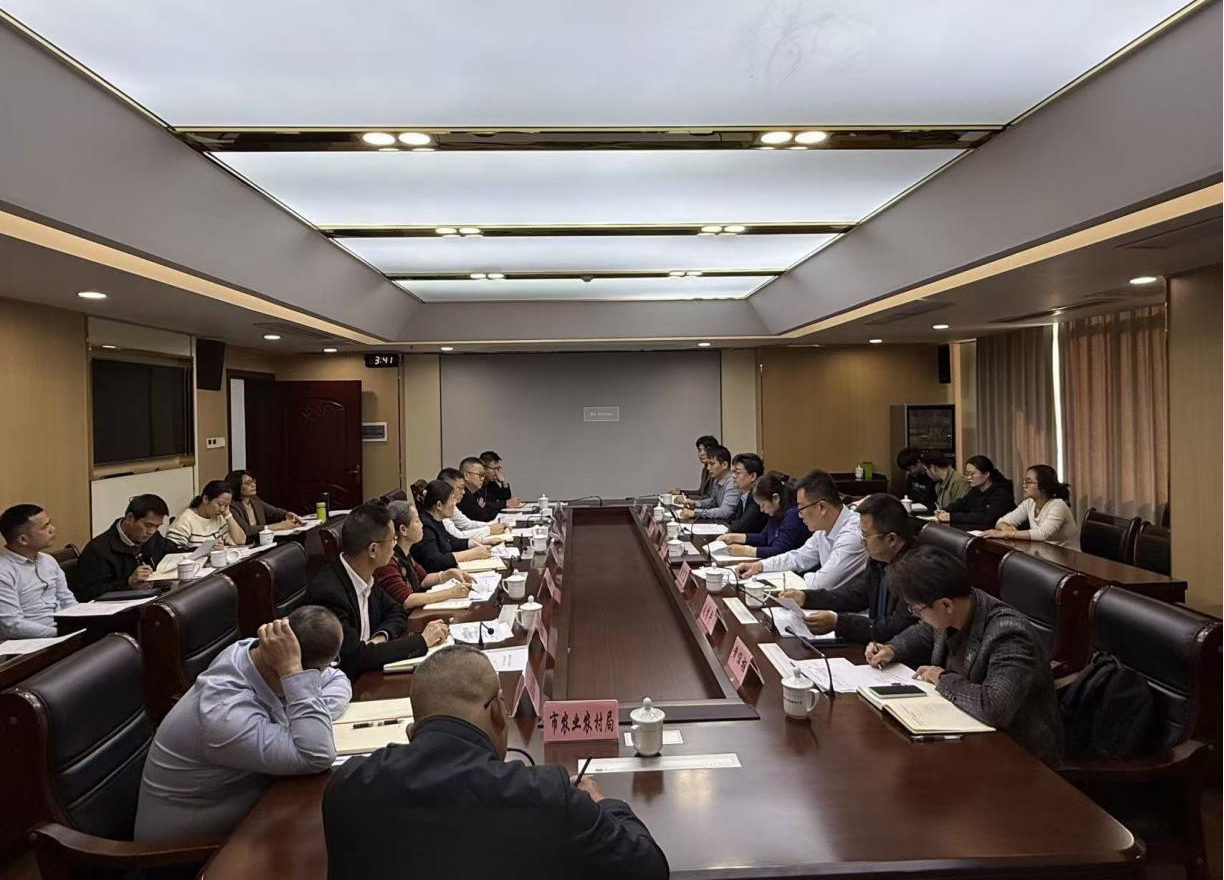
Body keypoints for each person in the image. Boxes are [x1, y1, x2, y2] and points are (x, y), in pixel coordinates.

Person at [322, 644, 670, 880]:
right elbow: (649, 869)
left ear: (412, 731)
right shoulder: (547, 796)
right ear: (499, 713)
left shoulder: (347, 787)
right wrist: (605, 804)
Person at [134, 608, 352, 840]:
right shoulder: (224, 714)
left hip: (252, 802)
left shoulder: (259, 656)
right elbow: (317, 754)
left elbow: (338, 680)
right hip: (185, 846)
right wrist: (297, 689)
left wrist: (303, 711)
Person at [866, 545, 1063, 766]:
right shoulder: (958, 606)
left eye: (916, 609)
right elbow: (926, 630)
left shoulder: (1008, 634)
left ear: (946, 605)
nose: (916, 615)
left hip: (1018, 756)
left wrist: (942, 678)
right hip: (968, 734)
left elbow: (994, 707)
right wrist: (892, 649)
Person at [305, 504, 449, 678]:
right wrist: (422, 641)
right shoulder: (328, 594)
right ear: (373, 550)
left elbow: (396, 610)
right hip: (346, 684)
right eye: (393, 540)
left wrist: (380, 638)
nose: (395, 545)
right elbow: (353, 658)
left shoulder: (365, 574)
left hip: (370, 672)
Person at [779, 493, 918, 643]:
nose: (862, 542)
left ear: (891, 539)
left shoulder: (914, 572)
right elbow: (855, 595)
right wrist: (806, 597)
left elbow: (896, 628)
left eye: (866, 536)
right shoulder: (879, 561)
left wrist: (838, 623)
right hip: (875, 645)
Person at [733, 469, 867, 597]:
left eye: (801, 507)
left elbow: (821, 584)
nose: (799, 514)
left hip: (848, 610)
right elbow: (798, 557)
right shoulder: (823, 529)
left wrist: (800, 576)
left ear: (822, 507)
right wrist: (759, 566)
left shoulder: (852, 534)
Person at [75, 494, 193, 601]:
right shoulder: (98, 550)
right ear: (130, 518)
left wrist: (198, 552)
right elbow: (86, 594)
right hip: (120, 611)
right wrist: (128, 583)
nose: (151, 531)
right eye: (148, 525)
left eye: (157, 526)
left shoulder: (152, 537)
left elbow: (173, 551)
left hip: (154, 599)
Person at [375, 500, 475, 610]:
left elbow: (423, 579)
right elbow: (407, 600)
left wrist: (448, 574)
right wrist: (450, 593)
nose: (422, 525)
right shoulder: (388, 560)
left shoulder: (405, 553)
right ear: (403, 529)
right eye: (417, 521)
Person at [0, 504, 77, 639]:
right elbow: (12, 626)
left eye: (50, 523)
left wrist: (83, 622)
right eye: (45, 527)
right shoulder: (4, 572)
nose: (52, 529)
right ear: (23, 539)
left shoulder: (48, 561)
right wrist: (60, 634)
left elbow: (67, 599)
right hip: (30, 642)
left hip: (64, 632)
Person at [984, 464, 1079, 549]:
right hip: (1043, 552)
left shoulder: (1058, 505)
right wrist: (1006, 528)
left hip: (1066, 556)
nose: (1024, 485)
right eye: (1024, 482)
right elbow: (1001, 521)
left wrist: (1007, 533)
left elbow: (1041, 534)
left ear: (1043, 486)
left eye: (1028, 482)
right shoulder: (1029, 503)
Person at [720, 472, 810, 559]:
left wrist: (745, 550)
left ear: (775, 498)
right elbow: (765, 537)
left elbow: (779, 551)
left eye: (763, 505)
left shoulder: (793, 516)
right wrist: (733, 537)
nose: (761, 510)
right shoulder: (776, 512)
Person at [411, 480, 493, 573]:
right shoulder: (425, 527)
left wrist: (480, 542)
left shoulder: (436, 519)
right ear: (439, 505)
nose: (455, 503)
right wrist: (472, 554)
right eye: (452, 499)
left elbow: (452, 542)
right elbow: (436, 561)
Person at [934, 455, 1016, 528]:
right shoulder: (975, 491)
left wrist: (951, 516)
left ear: (986, 474)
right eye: (967, 474)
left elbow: (986, 518)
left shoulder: (1001, 494)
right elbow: (960, 504)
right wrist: (945, 511)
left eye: (972, 474)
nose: (968, 478)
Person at [224, 469, 304, 539]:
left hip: (263, 540)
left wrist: (286, 514)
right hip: (246, 544)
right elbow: (247, 530)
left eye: (253, 481)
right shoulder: (231, 506)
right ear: (236, 486)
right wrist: (278, 526)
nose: (253, 485)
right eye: (248, 483)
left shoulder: (254, 499)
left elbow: (274, 512)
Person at [167, 479, 246, 547]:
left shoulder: (220, 517)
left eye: (226, 505)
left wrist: (228, 515)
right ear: (205, 499)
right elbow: (173, 551)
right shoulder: (186, 519)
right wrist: (208, 549)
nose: (222, 509)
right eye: (220, 504)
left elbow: (240, 541)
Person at [438, 467, 507, 543]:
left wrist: (494, 525)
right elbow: (457, 537)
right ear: (446, 488)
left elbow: (467, 524)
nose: (463, 492)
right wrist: (489, 530)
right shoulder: (438, 507)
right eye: (460, 488)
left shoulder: (452, 505)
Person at [677, 445, 737, 522]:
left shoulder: (732, 482)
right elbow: (713, 502)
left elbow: (725, 512)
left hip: (730, 524)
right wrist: (695, 503)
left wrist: (695, 513)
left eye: (712, 464)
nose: (708, 468)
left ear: (724, 465)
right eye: (707, 464)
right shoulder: (717, 480)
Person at [726, 453, 769, 534]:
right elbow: (730, 519)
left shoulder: (757, 497)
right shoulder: (744, 494)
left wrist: (733, 523)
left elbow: (740, 527)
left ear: (752, 476)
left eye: (737, 472)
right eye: (733, 472)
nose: (733, 476)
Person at [671, 434, 719, 499]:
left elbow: (710, 498)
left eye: (705, 450)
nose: (701, 454)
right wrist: (681, 492)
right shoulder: (705, 470)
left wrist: (685, 498)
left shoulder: (717, 470)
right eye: (699, 450)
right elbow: (700, 493)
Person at [478, 450, 522, 515]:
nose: (497, 472)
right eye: (494, 469)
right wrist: (506, 503)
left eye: (498, 468)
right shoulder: (476, 482)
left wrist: (504, 482)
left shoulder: (491, 482)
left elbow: (504, 499)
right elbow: (481, 504)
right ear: (483, 468)